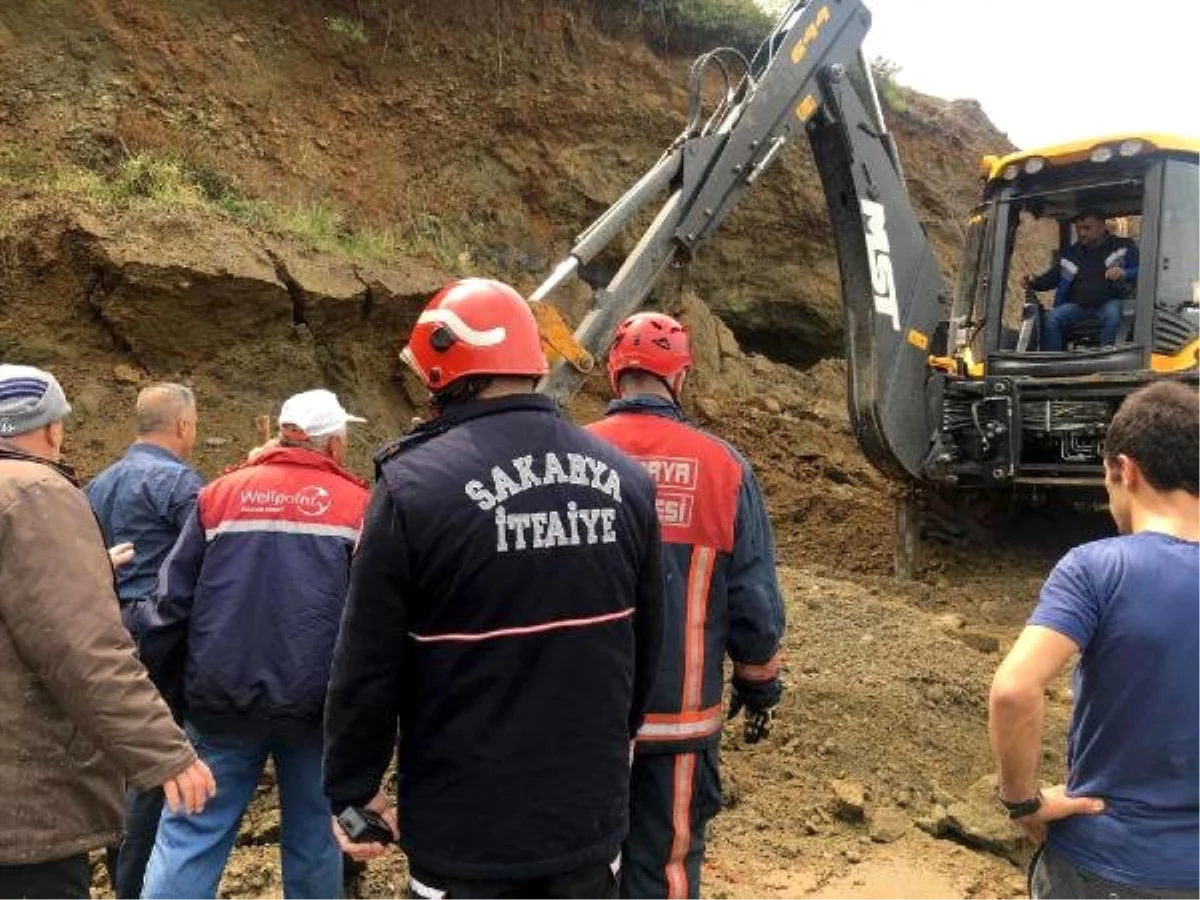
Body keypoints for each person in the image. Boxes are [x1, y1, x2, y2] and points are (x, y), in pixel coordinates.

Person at [323, 278, 666, 900]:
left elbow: (367, 666)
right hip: (586, 823)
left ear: (441, 368)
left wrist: (353, 786)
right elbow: (646, 648)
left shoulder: (411, 490)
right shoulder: (628, 483)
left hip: (464, 833)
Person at [138, 388, 370, 900]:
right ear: (333, 444)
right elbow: (372, 623)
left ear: (284, 433)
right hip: (317, 712)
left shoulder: (218, 495)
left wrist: (172, 697)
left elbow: (169, 607)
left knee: (191, 835)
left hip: (219, 703)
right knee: (316, 838)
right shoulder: (359, 507)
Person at [586, 312, 786, 900]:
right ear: (682, 377)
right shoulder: (724, 468)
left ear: (613, 372)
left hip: (580, 722)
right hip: (679, 719)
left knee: (578, 866)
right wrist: (760, 686)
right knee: (665, 868)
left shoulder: (571, 456)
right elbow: (753, 600)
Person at [0, 364, 215, 899]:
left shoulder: (103, 482)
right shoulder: (37, 493)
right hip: (28, 796)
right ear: (52, 428)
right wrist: (167, 751)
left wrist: (92, 568)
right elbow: (81, 650)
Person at [989, 380, 1200, 895]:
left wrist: (1022, 800)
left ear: (1125, 471)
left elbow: (1015, 690)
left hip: (1105, 866)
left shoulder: (1096, 568)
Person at [86, 382, 203, 900]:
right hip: (161, 636)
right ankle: (135, 886)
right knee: (159, 766)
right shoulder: (180, 485)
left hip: (103, 630)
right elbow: (205, 565)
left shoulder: (99, 484)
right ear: (183, 425)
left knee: (116, 760)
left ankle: (118, 875)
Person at [1023, 208, 1139, 351]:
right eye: (1079, 229)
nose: (1082, 233)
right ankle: (1052, 363)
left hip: (1110, 302)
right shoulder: (1071, 254)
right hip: (1078, 306)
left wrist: (1124, 273)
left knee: (1113, 315)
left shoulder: (1124, 246)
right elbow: (1051, 278)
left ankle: (1105, 357)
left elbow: (1141, 271)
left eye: (1087, 228)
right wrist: (1033, 281)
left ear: (1103, 227)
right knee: (1052, 318)